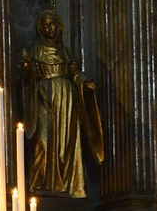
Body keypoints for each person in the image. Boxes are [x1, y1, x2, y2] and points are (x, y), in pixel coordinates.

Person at [18, 10, 104, 198]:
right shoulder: (35, 51)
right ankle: (39, 181)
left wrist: (85, 82)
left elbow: (74, 73)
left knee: (66, 143)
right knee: (42, 140)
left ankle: (66, 185)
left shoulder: (65, 52)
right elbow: (29, 75)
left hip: (66, 98)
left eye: (53, 24)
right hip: (43, 96)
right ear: (41, 28)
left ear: (59, 26)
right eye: (46, 24)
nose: (50, 28)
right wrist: (26, 68)